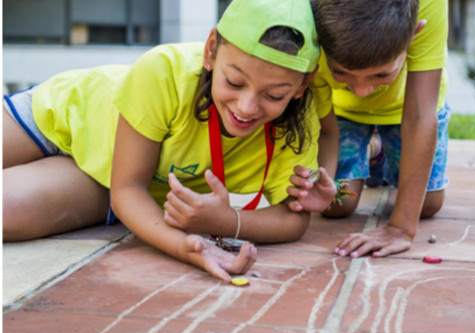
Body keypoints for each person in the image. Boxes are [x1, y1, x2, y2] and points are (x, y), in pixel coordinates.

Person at [2, 0, 336, 282]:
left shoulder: (296, 123)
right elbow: (129, 191)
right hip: (55, 115)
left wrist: (219, 227)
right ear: (210, 52)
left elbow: (293, 218)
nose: (247, 107)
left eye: (274, 95)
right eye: (234, 82)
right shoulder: (163, 71)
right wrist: (183, 242)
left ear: (302, 85)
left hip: (109, 181)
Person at [294, 0, 451, 258]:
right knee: (337, 205)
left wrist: (401, 228)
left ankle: (379, 156)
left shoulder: (429, 5)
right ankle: (375, 151)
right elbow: (319, 123)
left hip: (408, 106)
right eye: (341, 72)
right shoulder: (306, 10)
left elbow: (421, 115)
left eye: (381, 75)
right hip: (339, 111)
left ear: (413, 35)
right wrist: (319, 181)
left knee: (428, 204)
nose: (361, 91)